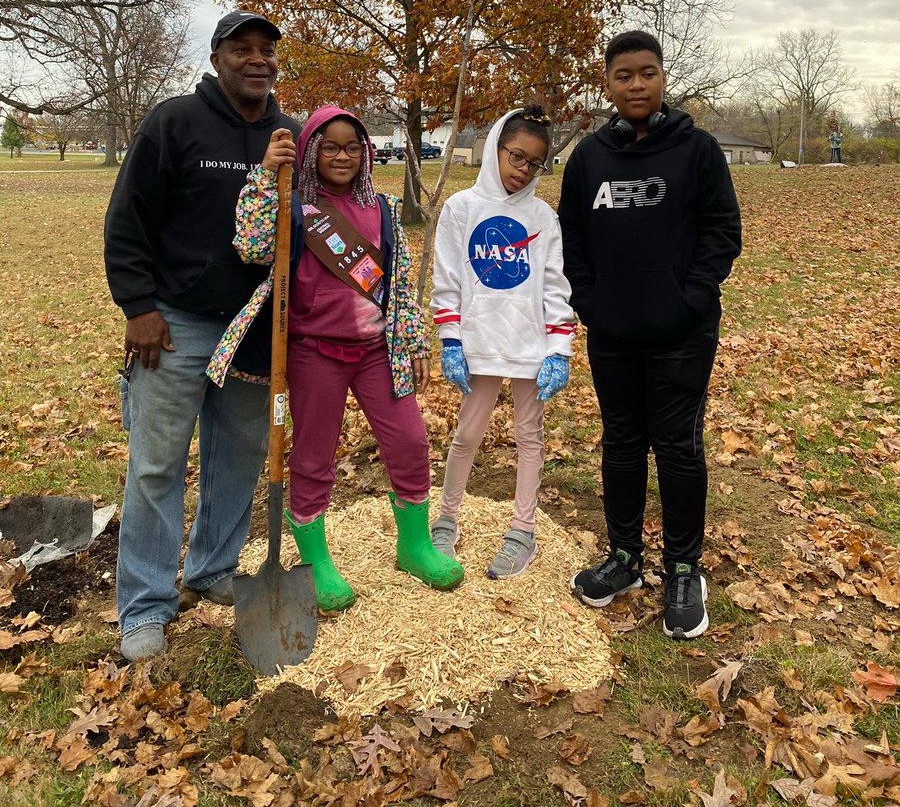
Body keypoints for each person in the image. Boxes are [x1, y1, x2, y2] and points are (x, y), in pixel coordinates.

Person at [207, 106, 464, 610]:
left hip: (376, 352)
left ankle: (414, 545)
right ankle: (316, 561)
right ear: (311, 152)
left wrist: (414, 342)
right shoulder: (292, 205)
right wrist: (265, 176)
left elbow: (398, 285)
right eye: (330, 147)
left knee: (410, 442)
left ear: (365, 153)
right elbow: (252, 247)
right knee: (313, 455)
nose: (342, 156)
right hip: (313, 353)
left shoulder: (383, 209)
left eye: (352, 147)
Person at [104, 10, 299, 662]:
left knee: (238, 456)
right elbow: (128, 217)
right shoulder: (174, 123)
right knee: (157, 463)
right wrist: (139, 306)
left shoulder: (291, 134)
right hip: (176, 323)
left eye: (267, 50)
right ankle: (145, 606)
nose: (258, 59)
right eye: (242, 49)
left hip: (256, 328)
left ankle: (212, 567)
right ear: (217, 58)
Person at [558, 31, 741, 640]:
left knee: (678, 446)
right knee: (622, 442)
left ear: (663, 77)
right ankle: (625, 557)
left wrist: (691, 299)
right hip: (613, 332)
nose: (636, 84)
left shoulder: (699, 151)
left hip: (682, 333)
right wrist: (590, 301)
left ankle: (684, 570)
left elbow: (722, 232)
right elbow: (571, 239)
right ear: (607, 84)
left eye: (647, 72)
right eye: (624, 75)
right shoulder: (589, 159)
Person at [429, 105, 576, 578]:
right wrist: (451, 340)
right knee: (467, 435)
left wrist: (559, 348)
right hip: (479, 344)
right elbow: (447, 281)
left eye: (535, 163)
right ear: (496, 146)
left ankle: (522, 531)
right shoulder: (460, 208)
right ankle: (446, 519)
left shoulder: (543, 217)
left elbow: (554, 286)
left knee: (529, 437)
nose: (524, 170)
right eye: (517, 156)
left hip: (531, 347)